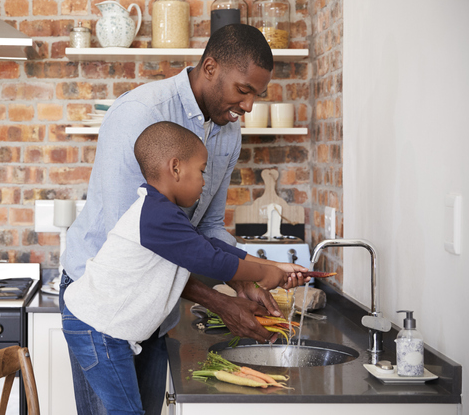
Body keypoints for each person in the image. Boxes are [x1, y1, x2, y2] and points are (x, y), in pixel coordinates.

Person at [60, 23, 307, 414]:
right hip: (105, 303)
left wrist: (242, 281)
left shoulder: (228, 132)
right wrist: (228, 294)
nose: (248, 107)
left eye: (257, 96)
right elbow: (145, 247)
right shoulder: (140, 115)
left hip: (154, 306)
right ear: (210, 67)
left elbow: (206, 230)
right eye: (243, 91)